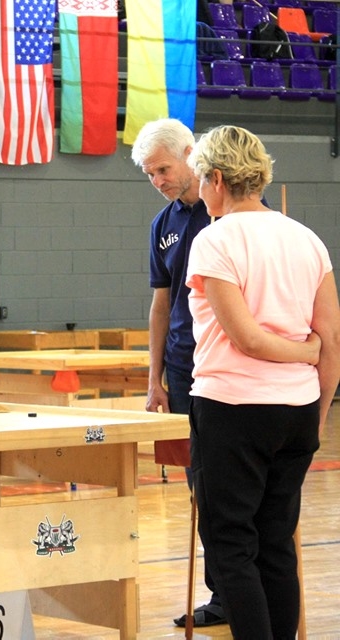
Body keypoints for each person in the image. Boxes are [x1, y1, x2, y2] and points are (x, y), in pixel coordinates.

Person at [185, 124, 340, 639]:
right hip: (297, 409)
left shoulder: (215, 239)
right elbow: (331, 341)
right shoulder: (307, 238)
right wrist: (315, 415)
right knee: (275, 541)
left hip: (233, 408)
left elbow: (247, 339)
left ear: (218, 179)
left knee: (231, 544)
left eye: (201, 180)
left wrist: (298, 352)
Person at [131, 119, 225, 627]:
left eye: (163, 169)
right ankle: (221, 596)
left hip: (228, 368)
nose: (159, 181)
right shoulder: (162, 224)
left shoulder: (229, 215)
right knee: (199, 484)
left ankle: (242, 590)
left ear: (192, 155)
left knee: (225, 483)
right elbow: (161, 303)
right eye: (149, 174)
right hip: (183, 369)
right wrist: (155, 378)